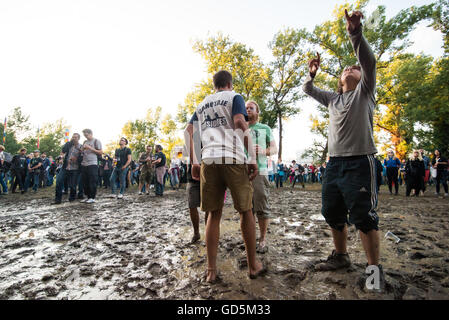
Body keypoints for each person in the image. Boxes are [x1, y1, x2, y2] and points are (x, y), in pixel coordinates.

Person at [303, 10, 384, 288]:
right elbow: (307, 90)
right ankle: (341, 256)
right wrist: (311, 75)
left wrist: (355, 32)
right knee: (332, 211)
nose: (351, 68)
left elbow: (368, 60)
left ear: (364, 77)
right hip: (334, 164)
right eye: (346, 68)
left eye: (355, 68)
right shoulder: (333, 99)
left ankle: (374, 273)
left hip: (361, 162)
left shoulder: (366, 92)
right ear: (339, 80)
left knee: (363, 217)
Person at [187, 70, 265, 283]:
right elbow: (240, 121)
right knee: (245, 210)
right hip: (232, 157)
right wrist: (250, 156)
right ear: (230, 84)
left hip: (209, 160)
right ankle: (252, 265)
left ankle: (211, 270)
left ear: (215, 85)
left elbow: (189, 130)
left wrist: (194, 160)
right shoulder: (234, 97)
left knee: (213, 214)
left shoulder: (202, 103)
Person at [246, 100, 278, 254]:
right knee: (246, 208)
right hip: (241, 172)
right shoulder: (240, 128)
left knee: (261, 207)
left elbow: (274, 149)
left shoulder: (264, 128)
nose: (248, 110)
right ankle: (250, 238)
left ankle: (262, 238)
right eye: (246, 108)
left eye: (251, 108)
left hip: (260, 171)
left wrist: (263, 151)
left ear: (257, 112)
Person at [53, 133, 82, 204]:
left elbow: (82, 157)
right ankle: (58, 199)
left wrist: (76, 158)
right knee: (59, 182)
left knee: (72, 185)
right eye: (73, 137)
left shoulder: (81, 146)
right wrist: (61, 158)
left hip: (75, 168)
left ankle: (72, 198)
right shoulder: (68, 144)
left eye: (75, 137)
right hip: (65, 167)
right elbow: (62, 152)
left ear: (78, 138)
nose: (73, 138)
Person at [80, 129, 103, 204]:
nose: (86, 137)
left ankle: (92, 197)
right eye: (84, 135)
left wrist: (90, 148)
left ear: (91, 134)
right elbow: (81, 152)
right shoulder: (85, 142)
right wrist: (82, 149)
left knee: (92, 180)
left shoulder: (96, 141)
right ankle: (87, 196)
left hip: (93, 163)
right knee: (85, 181)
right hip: (84, 163)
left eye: (86, 135)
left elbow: (100, 152)